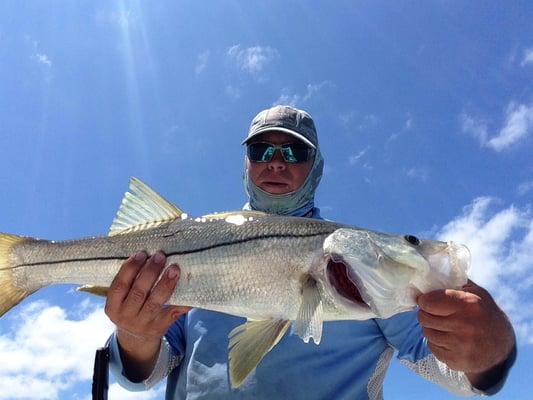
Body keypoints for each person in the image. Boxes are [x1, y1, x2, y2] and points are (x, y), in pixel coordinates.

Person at [106, 105, 516, 399]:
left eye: (294, 152)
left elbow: (455, 375)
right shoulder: (186, 241)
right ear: (246, 164)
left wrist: (492, 352)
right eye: (261, 151)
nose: (276, 163)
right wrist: (135, 335)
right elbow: (148, 372)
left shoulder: (376, 283)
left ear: (316, 167)